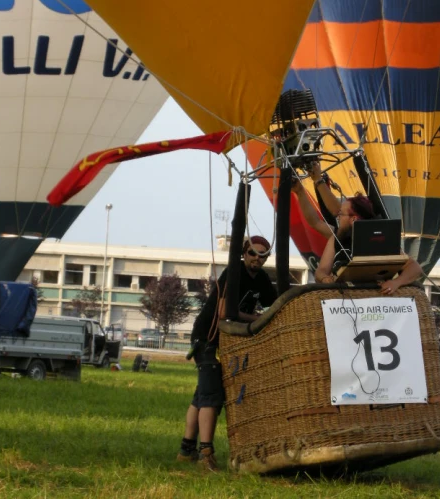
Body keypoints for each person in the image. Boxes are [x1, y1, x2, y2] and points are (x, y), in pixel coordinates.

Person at [177, 235, 277, 470]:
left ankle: (185, 451)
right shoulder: (233, 273)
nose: (257, 258)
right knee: (212, 398)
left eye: (262, 254)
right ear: (244, 253)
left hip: (223, 341)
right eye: (252, 253)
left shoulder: (262, 279)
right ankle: (206, 454)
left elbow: (275, 304)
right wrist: (258, 320)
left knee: (201, 396)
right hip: (208, 337)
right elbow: (223, 312)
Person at [292, 162, 423, 294]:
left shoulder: (380, 239)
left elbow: (415, 268)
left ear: (353, 219)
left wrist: (396, 283)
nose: (338, 217)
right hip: (344, 301)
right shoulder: (337, 237)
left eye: (341, 214)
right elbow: (321, 270)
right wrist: (325, 279)